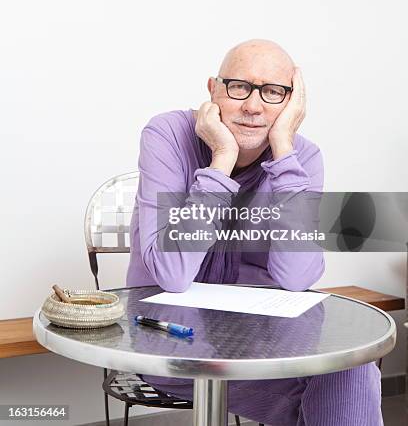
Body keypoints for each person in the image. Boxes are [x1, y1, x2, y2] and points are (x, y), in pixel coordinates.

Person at [126, 39, 383, 425]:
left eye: (274, 92)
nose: (253, 105)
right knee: (329, 399)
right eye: (239, 87)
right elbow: (173, 274)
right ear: (213, 89)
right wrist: (222, 159)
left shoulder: (302, 158)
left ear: (292, 106)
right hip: (171, 342)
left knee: (352, 368)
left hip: (264, 344)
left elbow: (297, 278)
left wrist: (283, 152)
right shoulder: (167, 134)